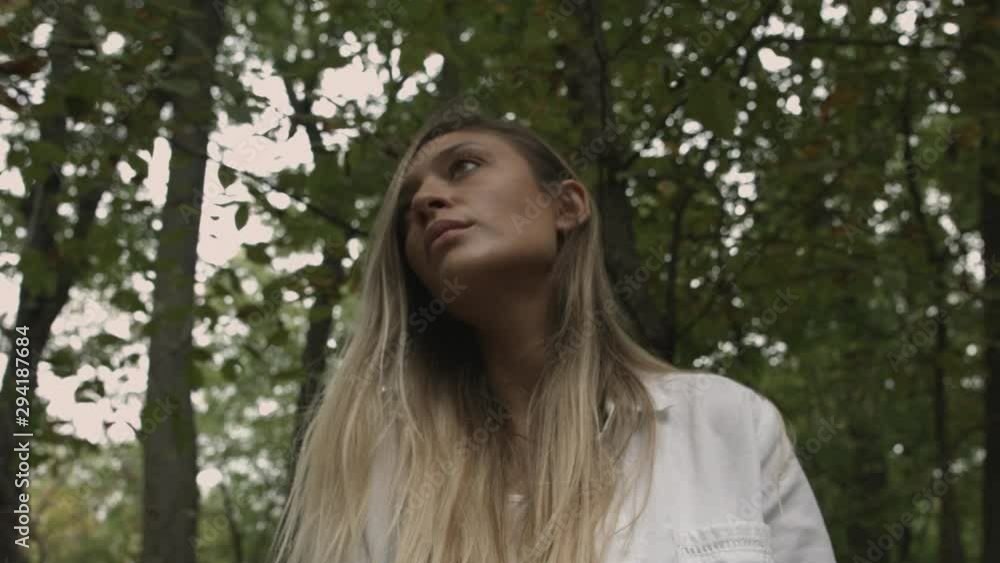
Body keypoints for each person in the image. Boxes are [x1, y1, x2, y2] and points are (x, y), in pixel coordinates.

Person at [271, 113, 837, 563]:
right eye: (406, 208)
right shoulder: (373, 473)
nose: (424, 201)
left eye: (464, 166)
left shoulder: (726, 425)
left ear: (565, 206)